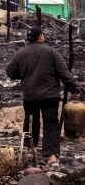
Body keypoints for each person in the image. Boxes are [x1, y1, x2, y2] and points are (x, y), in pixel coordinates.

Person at [6, 26, 81, 165]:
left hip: (30, 94)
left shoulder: (20, 53)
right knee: (51, 123)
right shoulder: (51, 52)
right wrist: (74, 88)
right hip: (49, 95)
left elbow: (10, 72)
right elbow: (63, 73)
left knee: (30, 120)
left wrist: (24, 75)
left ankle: (28, 149)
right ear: (40, 37)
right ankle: (51, 155)